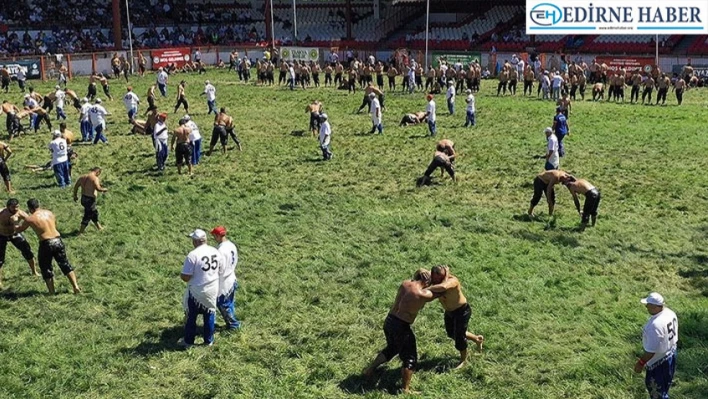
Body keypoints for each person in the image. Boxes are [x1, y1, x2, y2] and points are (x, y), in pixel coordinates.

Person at [362, 269, 437, 394]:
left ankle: (370, 369)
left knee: (392, 348)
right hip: (401, 327)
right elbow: (440, 291)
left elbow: (417, 273)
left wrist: (421, 271)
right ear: (427, 281)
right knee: (410, 358)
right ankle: (405, 389)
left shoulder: (405, 283)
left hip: (389, 321)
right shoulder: (422, 294)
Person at [15, 198, 81, 295]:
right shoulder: (49, 213)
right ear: (38, 205)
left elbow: (19, 229)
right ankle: (75, 286)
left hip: (46, 243)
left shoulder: (30, 218)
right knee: (65, 263)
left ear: (30, 208)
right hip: (58, 240)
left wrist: (14, 223)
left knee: (46, 267)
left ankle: (51, 292)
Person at [427, 265, 484, 369]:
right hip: (449, 312)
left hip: (461, 311)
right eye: (434, 278)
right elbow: (421, 271)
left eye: (438, 278)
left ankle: (464, 360)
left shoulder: (452, 280)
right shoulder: (435, 280)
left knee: (459, 336)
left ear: (444, 275)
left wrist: (428, 288)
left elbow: (444, 287)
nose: (435, 280)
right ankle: (477, 339)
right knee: (451, 333)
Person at [179, 229, 224, 348]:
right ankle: (208, 340)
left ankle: (189, 341)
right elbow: (221, 269)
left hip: (196, 291)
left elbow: (186, 277)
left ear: (195, 241)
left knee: (191, 316)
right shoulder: (215, 251)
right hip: (212, 289)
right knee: (209, 314)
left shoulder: (193, 255)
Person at [635, 292, 678, 399]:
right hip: (671, 354)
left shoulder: (654, 326)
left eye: (648, 305)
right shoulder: (670, 313)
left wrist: (640, 363)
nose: (646, 307)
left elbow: (650, 351)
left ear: (655, 307)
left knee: (657, 394)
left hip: (657, 363)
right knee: (665, 386)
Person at [0, 199, 38, 288]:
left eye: (17, 206)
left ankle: (34, 271)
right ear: (8, 207)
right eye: (13, 207)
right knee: (0, 259)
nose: (16, 209)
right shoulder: (2, 213)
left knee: (27, 251)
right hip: (1, 235)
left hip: (14, 234)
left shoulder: (21, 213)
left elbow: (32, 220)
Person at [211, 226, 241, 330]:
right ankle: (231, 324)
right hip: (232, 276)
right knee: (230, 303)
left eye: (214, 236)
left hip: (224, 281)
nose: (213, 238)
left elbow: (220, 268)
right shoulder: (231, 245)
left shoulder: (221, 250)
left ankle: (233, 325)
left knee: (223, 304)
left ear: (218, 236)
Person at [73, 167, 107, 234]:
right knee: (88, 215)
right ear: (97, 172)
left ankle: (99, 227)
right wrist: (104, 189)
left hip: (83, 198)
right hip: (90, 200)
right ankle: (80, 232)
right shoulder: (95, 178)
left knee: (94, 213)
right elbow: (98, 188)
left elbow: (76, 186)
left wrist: (75, 195)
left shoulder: (82, 177)